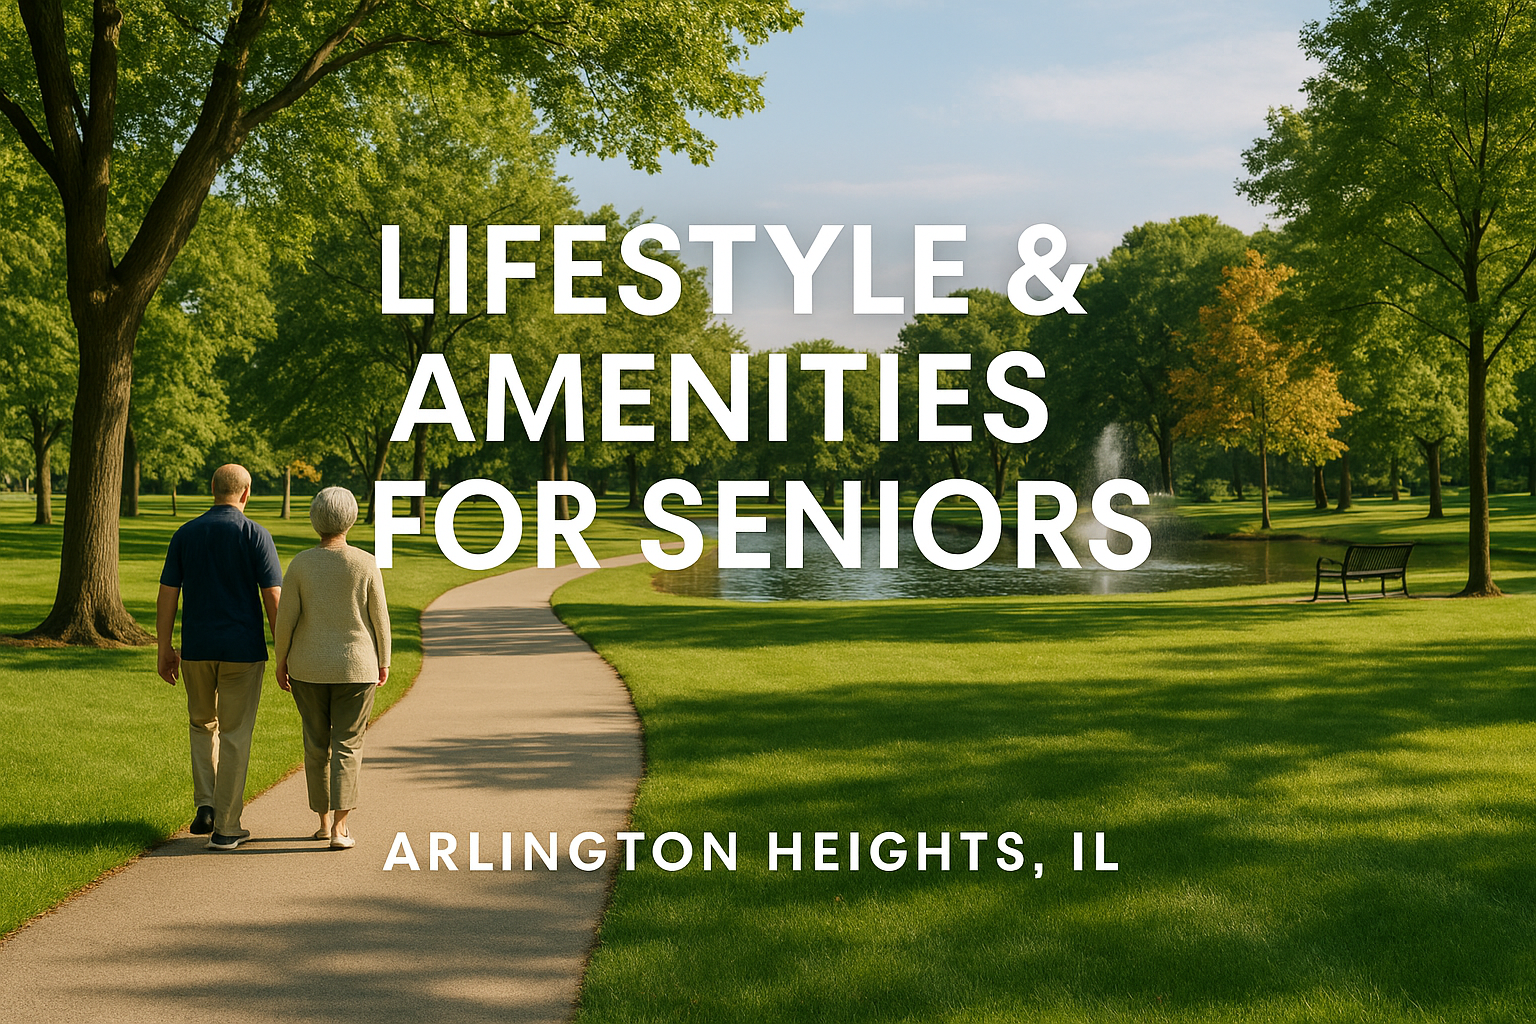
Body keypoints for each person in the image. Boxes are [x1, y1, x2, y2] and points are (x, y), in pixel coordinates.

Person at [157, 463, 283, 851]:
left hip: (197, 648)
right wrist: (284, 652)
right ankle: (227, 827)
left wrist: (165, 647)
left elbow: (168, 593)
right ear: (246, 494)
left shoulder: (186, 533)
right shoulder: (256, 534)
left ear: (212, 490)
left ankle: (206, 803)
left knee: (201, 725)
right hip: (243, 651)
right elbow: (273, 598)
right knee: (235, 734)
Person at [274, 486, 391, 850]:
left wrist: (281, 660)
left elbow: (285, 621)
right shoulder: (365, 562)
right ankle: (341, 828)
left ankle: (323, 823)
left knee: (316, 743)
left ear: (315, 519)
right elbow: (380, 619)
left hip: (307, 667)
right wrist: (383, 660)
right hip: (356, 668)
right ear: (351, 519)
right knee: (348, 744)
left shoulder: (300, 564)